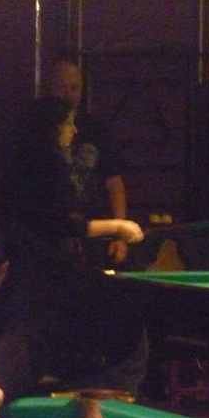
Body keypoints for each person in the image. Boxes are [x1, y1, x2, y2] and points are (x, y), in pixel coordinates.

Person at [0, 205, 148, 418]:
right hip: (43, 353)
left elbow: (25, 338)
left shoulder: (34, 290)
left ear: (1, 274)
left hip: (107, 349)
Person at [0, 94, 143, 259]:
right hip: (38, 256)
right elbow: (59, 223)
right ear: (53, 127)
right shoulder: (48, 165)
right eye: (69, 123)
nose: (75, 130)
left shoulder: (22, 159)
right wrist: (116, 226)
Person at [46, 59, 133, 269]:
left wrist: (119, 234)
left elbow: (114, 181)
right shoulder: (37, 132)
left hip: (92, 231)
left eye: (74, 87)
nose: (68, 93)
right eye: (61, 87)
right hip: (50, 234)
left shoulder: (96, 129)